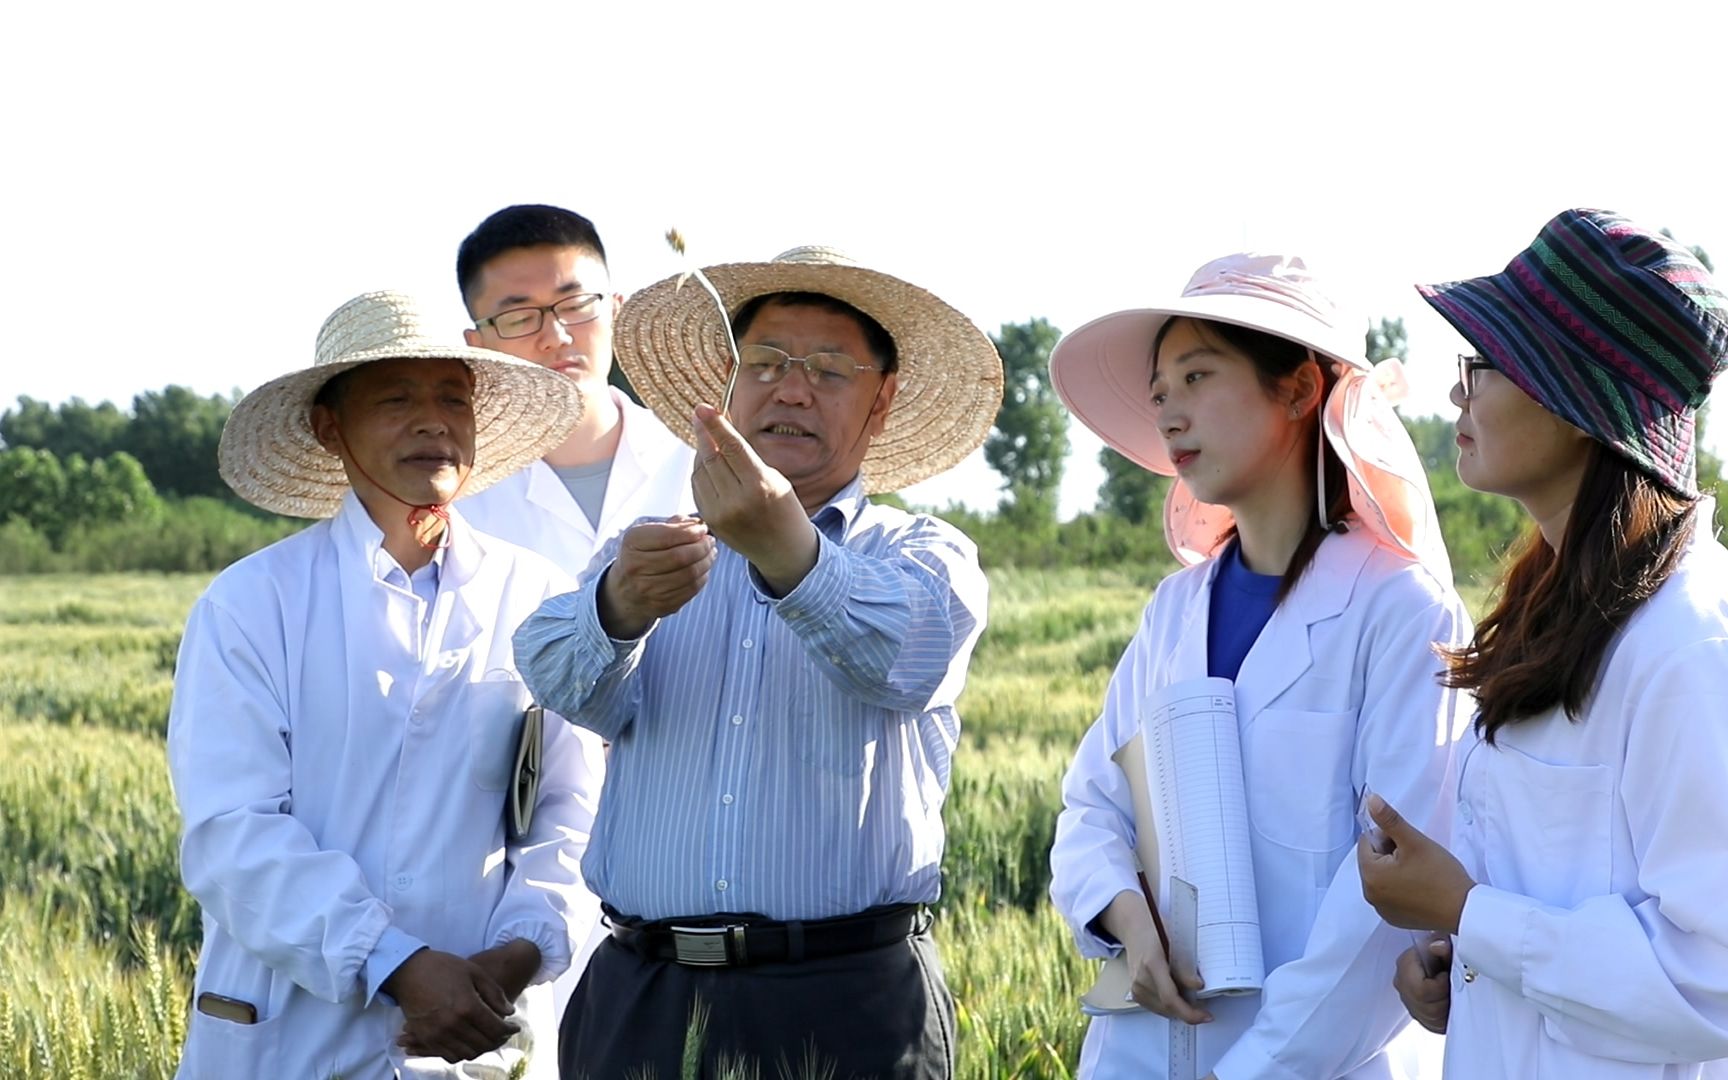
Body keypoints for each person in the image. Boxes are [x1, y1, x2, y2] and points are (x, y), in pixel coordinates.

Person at [512, 246, 1004, 1079]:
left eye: (829, 369)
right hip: (645, 992)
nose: (792, 388)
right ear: (731, 388)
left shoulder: (921, 553)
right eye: (767, 363)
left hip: (849, 999)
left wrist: (790, 552)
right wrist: (620, 605)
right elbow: (555, 674)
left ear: (881, 403)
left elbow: (905, 657)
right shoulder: (657, 552)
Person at [1046, 252, 1473, 1079]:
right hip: (1135, 1051)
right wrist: (1126, 917)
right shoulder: (1174, 609)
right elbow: (1093, 801)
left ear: (1301, 390)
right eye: (1160, 391)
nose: (1169, 412)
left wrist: (1258, 1068)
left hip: (1311, 1064)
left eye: (1198, 376)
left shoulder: (1400, 611)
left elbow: (1385, 902)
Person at [169, 291, 605, 1080]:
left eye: (452, 398)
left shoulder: (543, 599)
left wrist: (519, 951)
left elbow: (573, 810)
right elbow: (231, 833)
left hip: (484, 1032)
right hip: (292, 1040)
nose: (433, 421)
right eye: (396, 397)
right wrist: (396, 964)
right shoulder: (252, 604)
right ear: (330, 427)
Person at [1358, 208, 1728, 1079]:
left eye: (1482, 365)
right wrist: (1461, 967)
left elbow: (1711, 980)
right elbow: (1563, 898)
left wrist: (1470, 911)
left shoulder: (1689, 644)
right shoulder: (1563, 609)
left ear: (1575, 403)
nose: (1457, 394)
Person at [455, 204, 695, 580]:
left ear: (617, 310)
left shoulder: (697, 460)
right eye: (519, 318)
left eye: (577, 305)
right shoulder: (459, 502)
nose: (557, 337)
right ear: (477, 345)